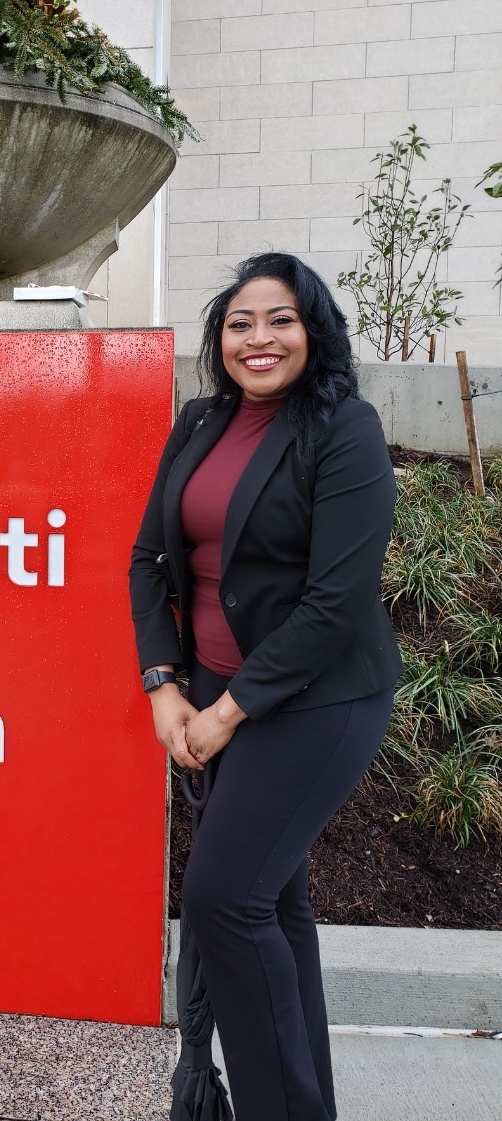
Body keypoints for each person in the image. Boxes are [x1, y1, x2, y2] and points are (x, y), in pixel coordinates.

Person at [129, 252, 403, 1121]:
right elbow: (148, 560)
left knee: (223, 899)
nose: (258, 338)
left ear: (313, 330)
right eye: (240, 322)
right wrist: (163, 685)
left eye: (280, 319)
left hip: (314, 699)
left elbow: (335, 604)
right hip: (206, 687)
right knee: (272, 902)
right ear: (220, 338)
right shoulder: (201, 421)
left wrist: (224, 714)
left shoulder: (343, 428)